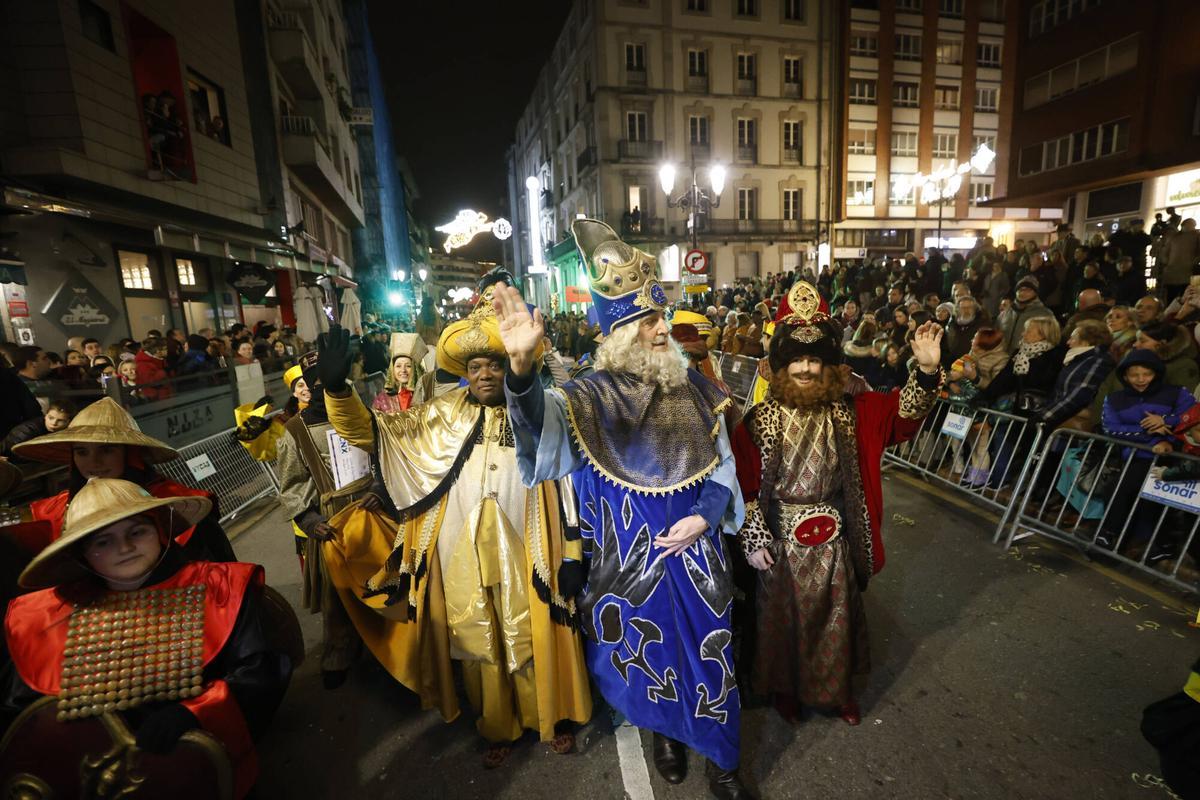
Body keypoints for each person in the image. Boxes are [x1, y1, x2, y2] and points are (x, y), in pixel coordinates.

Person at [496, 219, 750, 798]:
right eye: (650, 320)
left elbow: (725, 468)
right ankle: (665, 734)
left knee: (713, 658)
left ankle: (724, 762)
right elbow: (541, 433)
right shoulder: (587, 397)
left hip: (696, 555)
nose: (664, 330)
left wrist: (706, 517)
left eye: (662, 316)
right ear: (618, 330)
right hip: (627, 565)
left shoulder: (698, 388)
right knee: (647, 655)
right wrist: (521, 373)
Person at [317, 292, 592, 766]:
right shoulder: (439, 416)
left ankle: (547, 715)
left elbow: (566, 481)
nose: (485, 374)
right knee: (474, 635)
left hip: (530, 543)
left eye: (495, 364)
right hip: (458, 546)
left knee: (531, 631)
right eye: (475, 366)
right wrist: (339, 390)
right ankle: (495, 726)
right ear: (464, 372)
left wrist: (571, 551)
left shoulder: (538, 409)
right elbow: (372, 434)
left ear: (511, 365)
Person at [730, 281, 943, 730]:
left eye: (815, 360)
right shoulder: (758, 420)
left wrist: (924, 373)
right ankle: (786, 693)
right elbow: (741, 485)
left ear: (830, 365)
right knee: (783, 623)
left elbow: (902, 418)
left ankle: (836, 694)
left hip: (834, 541)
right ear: (781, 367)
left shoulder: (850, 409)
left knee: (835, 621)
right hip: (780, 546)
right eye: (796, 360)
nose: (806, 368)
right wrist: (752, 533)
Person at [0, 478, 292, 799]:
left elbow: (259, 670)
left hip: (203, 773)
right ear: (82, 555)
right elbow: (27, 716)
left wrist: (195, 712)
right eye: (103, 542)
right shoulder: (44, 616)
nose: (124, 548)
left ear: (160, 531)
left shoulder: (219, 587)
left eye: (137, 532)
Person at [9, 398, 236, 563]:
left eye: (106, 450)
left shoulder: (177, 506)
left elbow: (222, 577)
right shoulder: (54, 510)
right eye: (81, 451)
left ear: (130, 454)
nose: (93, 462)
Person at [272, 351, 381, 690]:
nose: (323, 388)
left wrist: (381, 488)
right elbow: (291, 482)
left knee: (382, 583)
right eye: (316, 382)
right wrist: (307, 518)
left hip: (372, 512)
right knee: (338, 596)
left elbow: (383, 456)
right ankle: (338, 652)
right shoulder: (294, 431)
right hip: (331, 520)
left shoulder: (362, 415)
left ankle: (387, 648)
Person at [1095, 350, 1195, 561]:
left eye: (1146, 374)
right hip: (1135, 456)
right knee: (1121, 490)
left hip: (1170, 456)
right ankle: (1111, 536)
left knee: (1151, 498)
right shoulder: (1114, 399)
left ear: (1156, 373)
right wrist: (1149, 434)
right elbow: (1111, 428)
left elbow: (1192, 418)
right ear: (1125, 376)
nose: (1140, 380)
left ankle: (1113, 536)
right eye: (1134, 375)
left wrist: (1166, 421)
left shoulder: (1177, 393)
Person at [372, 333, 428, 413]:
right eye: (398, 366)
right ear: (392, 369)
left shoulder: (425, 395)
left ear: (415, 370)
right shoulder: (382, 399)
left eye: (408, 366)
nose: (403, 370)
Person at [2, 400, 75, 459]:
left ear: (69, 421)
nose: (54, 423)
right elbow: (16, 455)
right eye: (51, 418)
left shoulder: (72, 429)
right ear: (45, 416)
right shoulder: (26, 432)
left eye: (60, 420)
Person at [1000, 277, 1055, 353]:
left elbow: (1051, 339)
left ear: (1035, 293)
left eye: (1028, 290)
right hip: (1003, 358)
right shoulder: (1006, 312)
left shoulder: (1045, 314)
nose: (1022, 293)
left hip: (1026, 360)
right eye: (1020, 289)